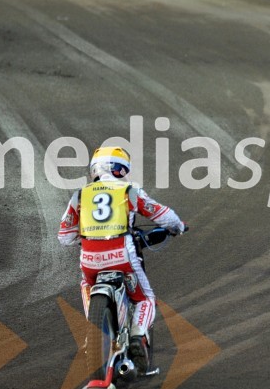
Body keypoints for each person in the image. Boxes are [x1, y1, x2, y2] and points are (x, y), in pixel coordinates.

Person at [58, 146, 187, 374]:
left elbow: (65, 237)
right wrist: (178, 227)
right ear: (119, 169)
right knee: (144, 299)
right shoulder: (128, 190)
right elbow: (163, 215)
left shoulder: (80, 195)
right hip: (122, 255)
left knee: (87, 285)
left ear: (95, 170)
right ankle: (137, 334)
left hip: (89, 259)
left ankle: (94, 332)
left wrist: (88, 236)